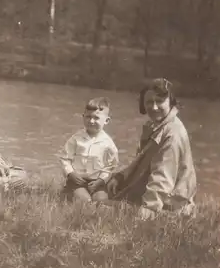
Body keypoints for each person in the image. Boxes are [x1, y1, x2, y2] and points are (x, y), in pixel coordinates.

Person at [106, 78, 197, 220]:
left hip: (169, 206)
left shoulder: (173, 133)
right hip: (151, 193)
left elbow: (163, 176)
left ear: (170, 101)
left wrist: (148, 210)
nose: (154, 107)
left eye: (160, 101)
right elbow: (141, 162)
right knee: (100, 187)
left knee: (96, 205)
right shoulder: (157, 125)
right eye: (149, 102)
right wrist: (120, 177)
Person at [58, 97, 119, 203]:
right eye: (88, 117)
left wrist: (101, 180)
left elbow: (111, 166)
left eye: (96, 118)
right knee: (84, 200)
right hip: (77, 180)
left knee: (101, 200)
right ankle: (69, 193)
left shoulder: (108, 144)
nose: (91, 121)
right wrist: (71, 173)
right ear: (83, 117)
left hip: (96, 181)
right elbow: (64, 158)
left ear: (106, 120)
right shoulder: (76, 139)